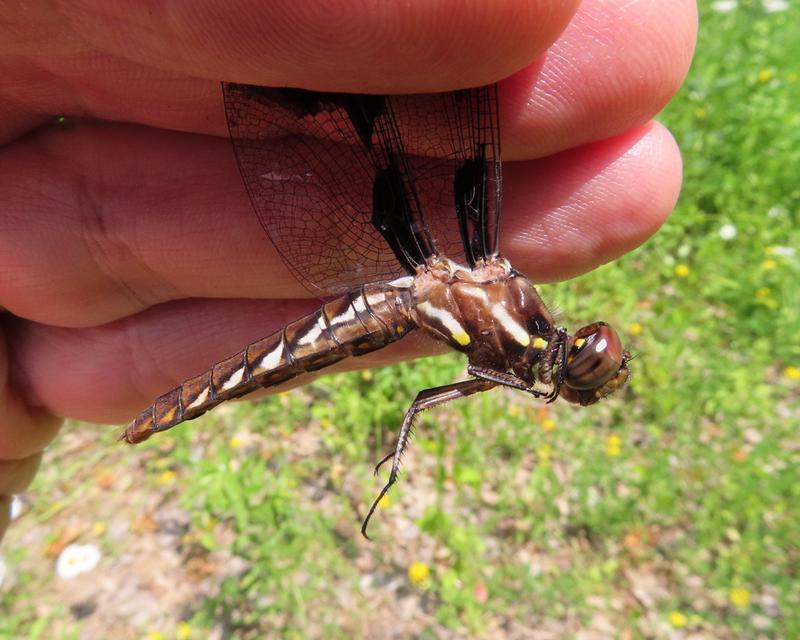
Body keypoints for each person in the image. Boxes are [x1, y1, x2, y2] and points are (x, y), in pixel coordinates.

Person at [0, 0, 697, 541]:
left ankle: (178, 406)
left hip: (412, 295)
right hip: (411, 292)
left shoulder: (522, 347)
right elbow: (443, 388)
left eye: (583, 367)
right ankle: (178, 404)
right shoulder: (511, 319)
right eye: (584, 362)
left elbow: (445, 387)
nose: (577, 363)